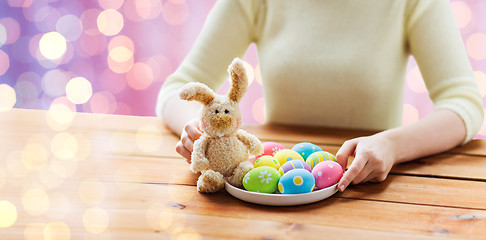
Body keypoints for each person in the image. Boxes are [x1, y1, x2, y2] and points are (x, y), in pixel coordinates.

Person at [156, 0, 484, 192]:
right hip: (275, 199)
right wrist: (201, 132)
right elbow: (177, 88)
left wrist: (392, 145)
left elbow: (464, 103)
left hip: (368, 194)